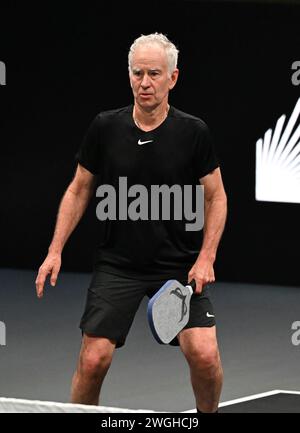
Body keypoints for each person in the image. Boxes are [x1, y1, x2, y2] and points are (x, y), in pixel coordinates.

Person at [35, 33, 227, 413]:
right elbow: (78, 190)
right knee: (93, 361)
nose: (144, 82)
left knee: (204, 356)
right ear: (128, 76)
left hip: (177, 265)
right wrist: (54, 250)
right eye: (137, 73)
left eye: (154, 74)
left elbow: (216, 195)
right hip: (118, 265)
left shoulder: (193, 132)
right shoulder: (105, 128)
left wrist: (206, 256)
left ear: (173, 78)